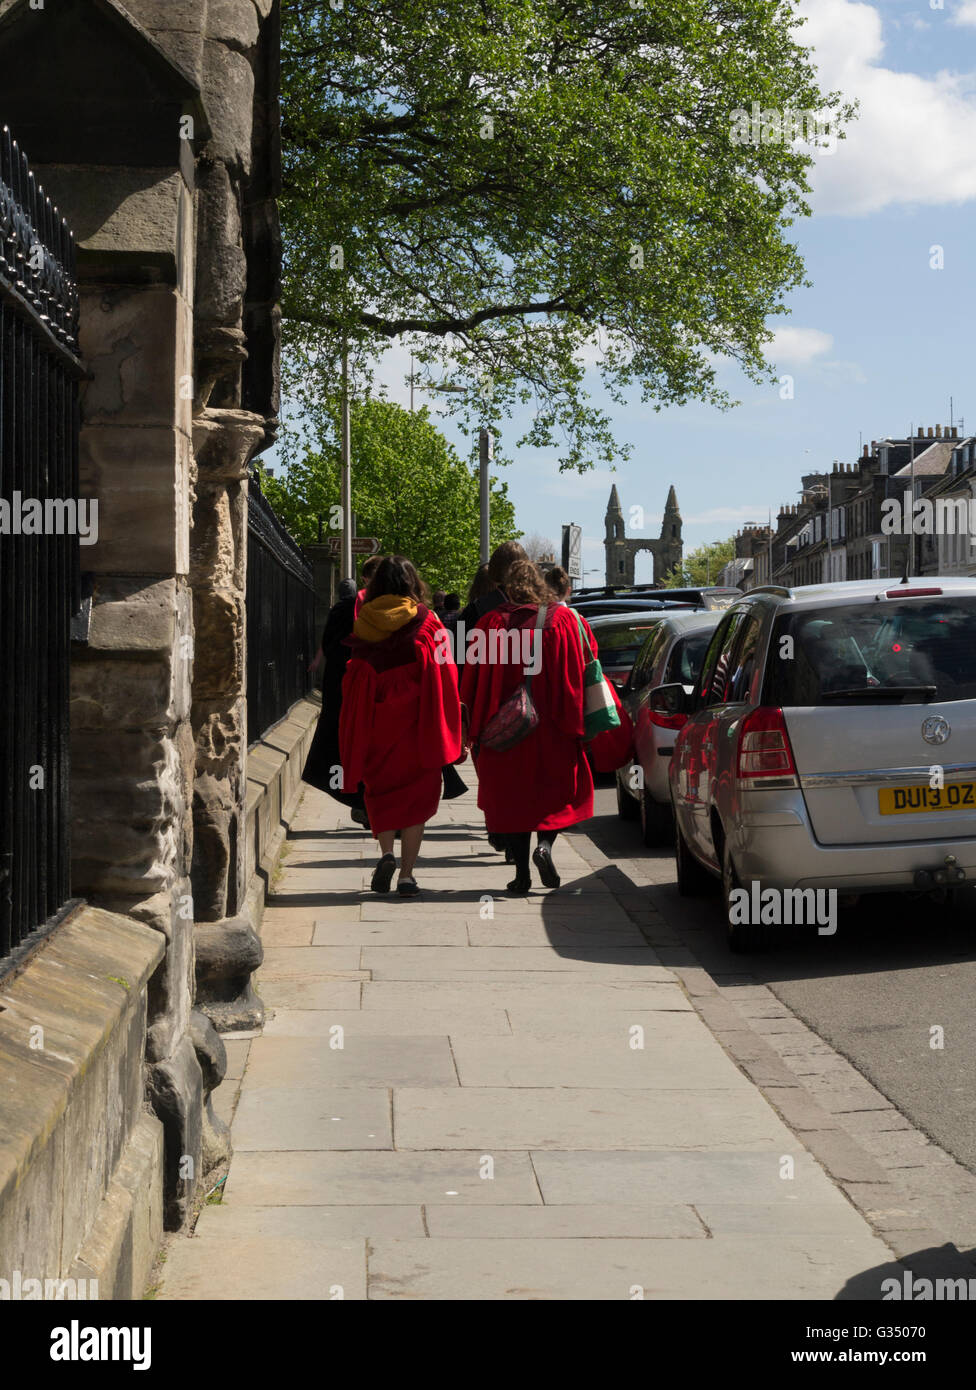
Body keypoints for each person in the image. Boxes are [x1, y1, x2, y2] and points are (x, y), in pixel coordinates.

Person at [460, 559, 593, 893]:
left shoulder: (491, 623)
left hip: (504, 728)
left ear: (506, 587)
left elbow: (472, 679)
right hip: (551, 726)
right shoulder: (561, 621)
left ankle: (521, 876)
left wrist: (473, 727)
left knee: (513, 801)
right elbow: (578, 673)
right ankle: (545, 847)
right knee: (552, 794)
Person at [339, 555, 462, 897]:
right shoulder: (428, 622)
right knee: (416, 802)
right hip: (417, 726)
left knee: (379, 793)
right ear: (413, 583)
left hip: (378, 725)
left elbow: (356, 676)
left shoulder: (365, 621)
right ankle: (407, 875)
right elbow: (446, 673)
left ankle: (386, 854)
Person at [302, 586, 369, 825]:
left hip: (342, 687)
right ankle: (363, 801)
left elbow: (330, 644)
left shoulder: (345, 609)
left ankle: (359, 799)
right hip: (369, 693)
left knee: (345, 748)